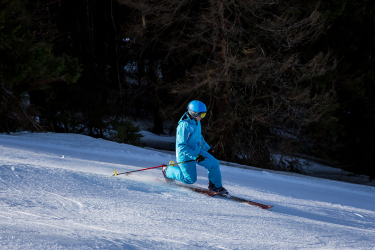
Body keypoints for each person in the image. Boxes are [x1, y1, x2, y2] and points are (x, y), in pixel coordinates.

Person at [161, 100, 229, 196]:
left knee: (214, 164)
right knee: (190, 180)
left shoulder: (196, 121)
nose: (202, 117)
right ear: (193, 113)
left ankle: (215, 186)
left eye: (204, 115)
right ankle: (167, 170)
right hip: (185, 155)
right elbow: (181, 147)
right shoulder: (184, 126)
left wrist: (207, 148)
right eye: (201, 115)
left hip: (196, 151)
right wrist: (195, 156)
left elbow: (199, 137)